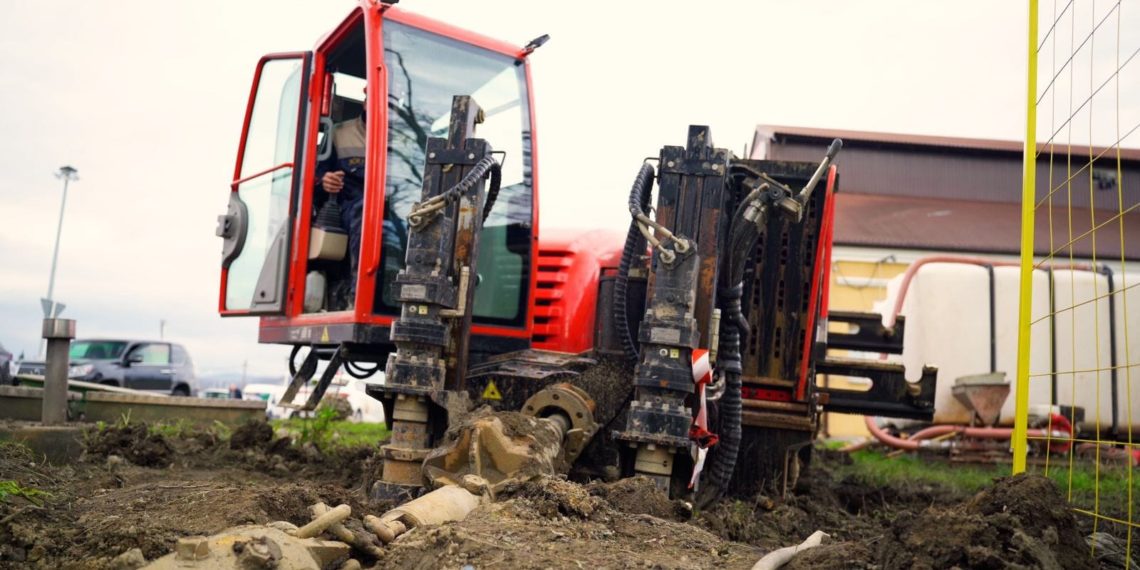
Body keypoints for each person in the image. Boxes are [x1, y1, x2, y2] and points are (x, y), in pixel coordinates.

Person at [315, 105, 367, 308]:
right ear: (366, 98)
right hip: (350, 208)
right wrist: (324, 181)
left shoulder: (404, 137)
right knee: (365, 210)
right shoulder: (339, 133)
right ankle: (357, 293)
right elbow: (315, 177)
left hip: (394, 209)